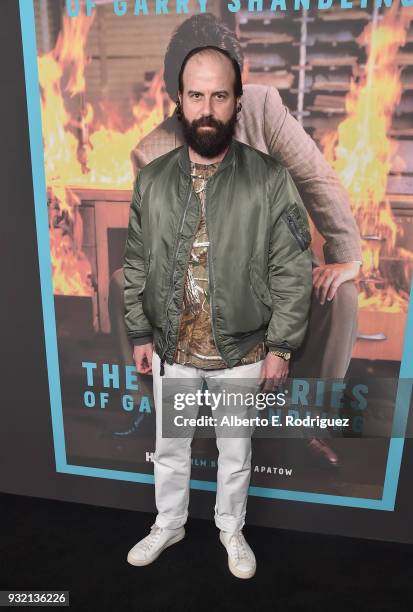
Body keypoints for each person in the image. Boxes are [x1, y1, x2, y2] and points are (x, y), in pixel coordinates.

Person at [111, 13, 362, 466]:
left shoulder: (263, 107)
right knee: (120, 282)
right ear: (177, 95)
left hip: (273, 276)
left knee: (342, 294)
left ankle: (304, 426)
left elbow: (316, 178)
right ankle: (180, 422)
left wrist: (347, 258)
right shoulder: (150, 153)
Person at [123, 46, 313, 578]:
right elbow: (136, 260)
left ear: (238, 101)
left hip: (243, 350)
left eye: (220, 96)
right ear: (178, 101)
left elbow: (294, 269)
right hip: (174, 351)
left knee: (235, 453)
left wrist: (280, 346)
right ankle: (170, 523)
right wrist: (140, 331)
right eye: (196, 95)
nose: (207, 108)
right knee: (171, 448)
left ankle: (231, 530)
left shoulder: (271, 179)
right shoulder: (152, 179)